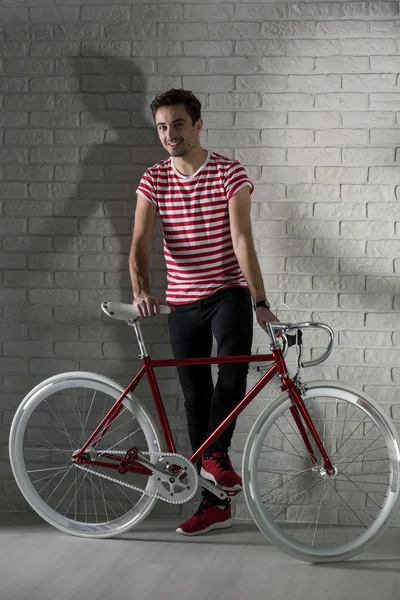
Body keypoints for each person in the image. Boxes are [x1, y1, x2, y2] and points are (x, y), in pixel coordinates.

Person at [129, 89, 278, 536]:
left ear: (197, 125)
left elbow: (242, 240)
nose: (169, 134)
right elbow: (138, 241)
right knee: (195, 398)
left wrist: (261, 301)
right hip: (182, 301)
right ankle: (212, 502)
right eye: (161, 126)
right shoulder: (154, 178)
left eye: (177, 124)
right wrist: (142, 290)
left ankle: (215, 457)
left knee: (232, 371)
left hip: (227, 293)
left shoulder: (229, 172)